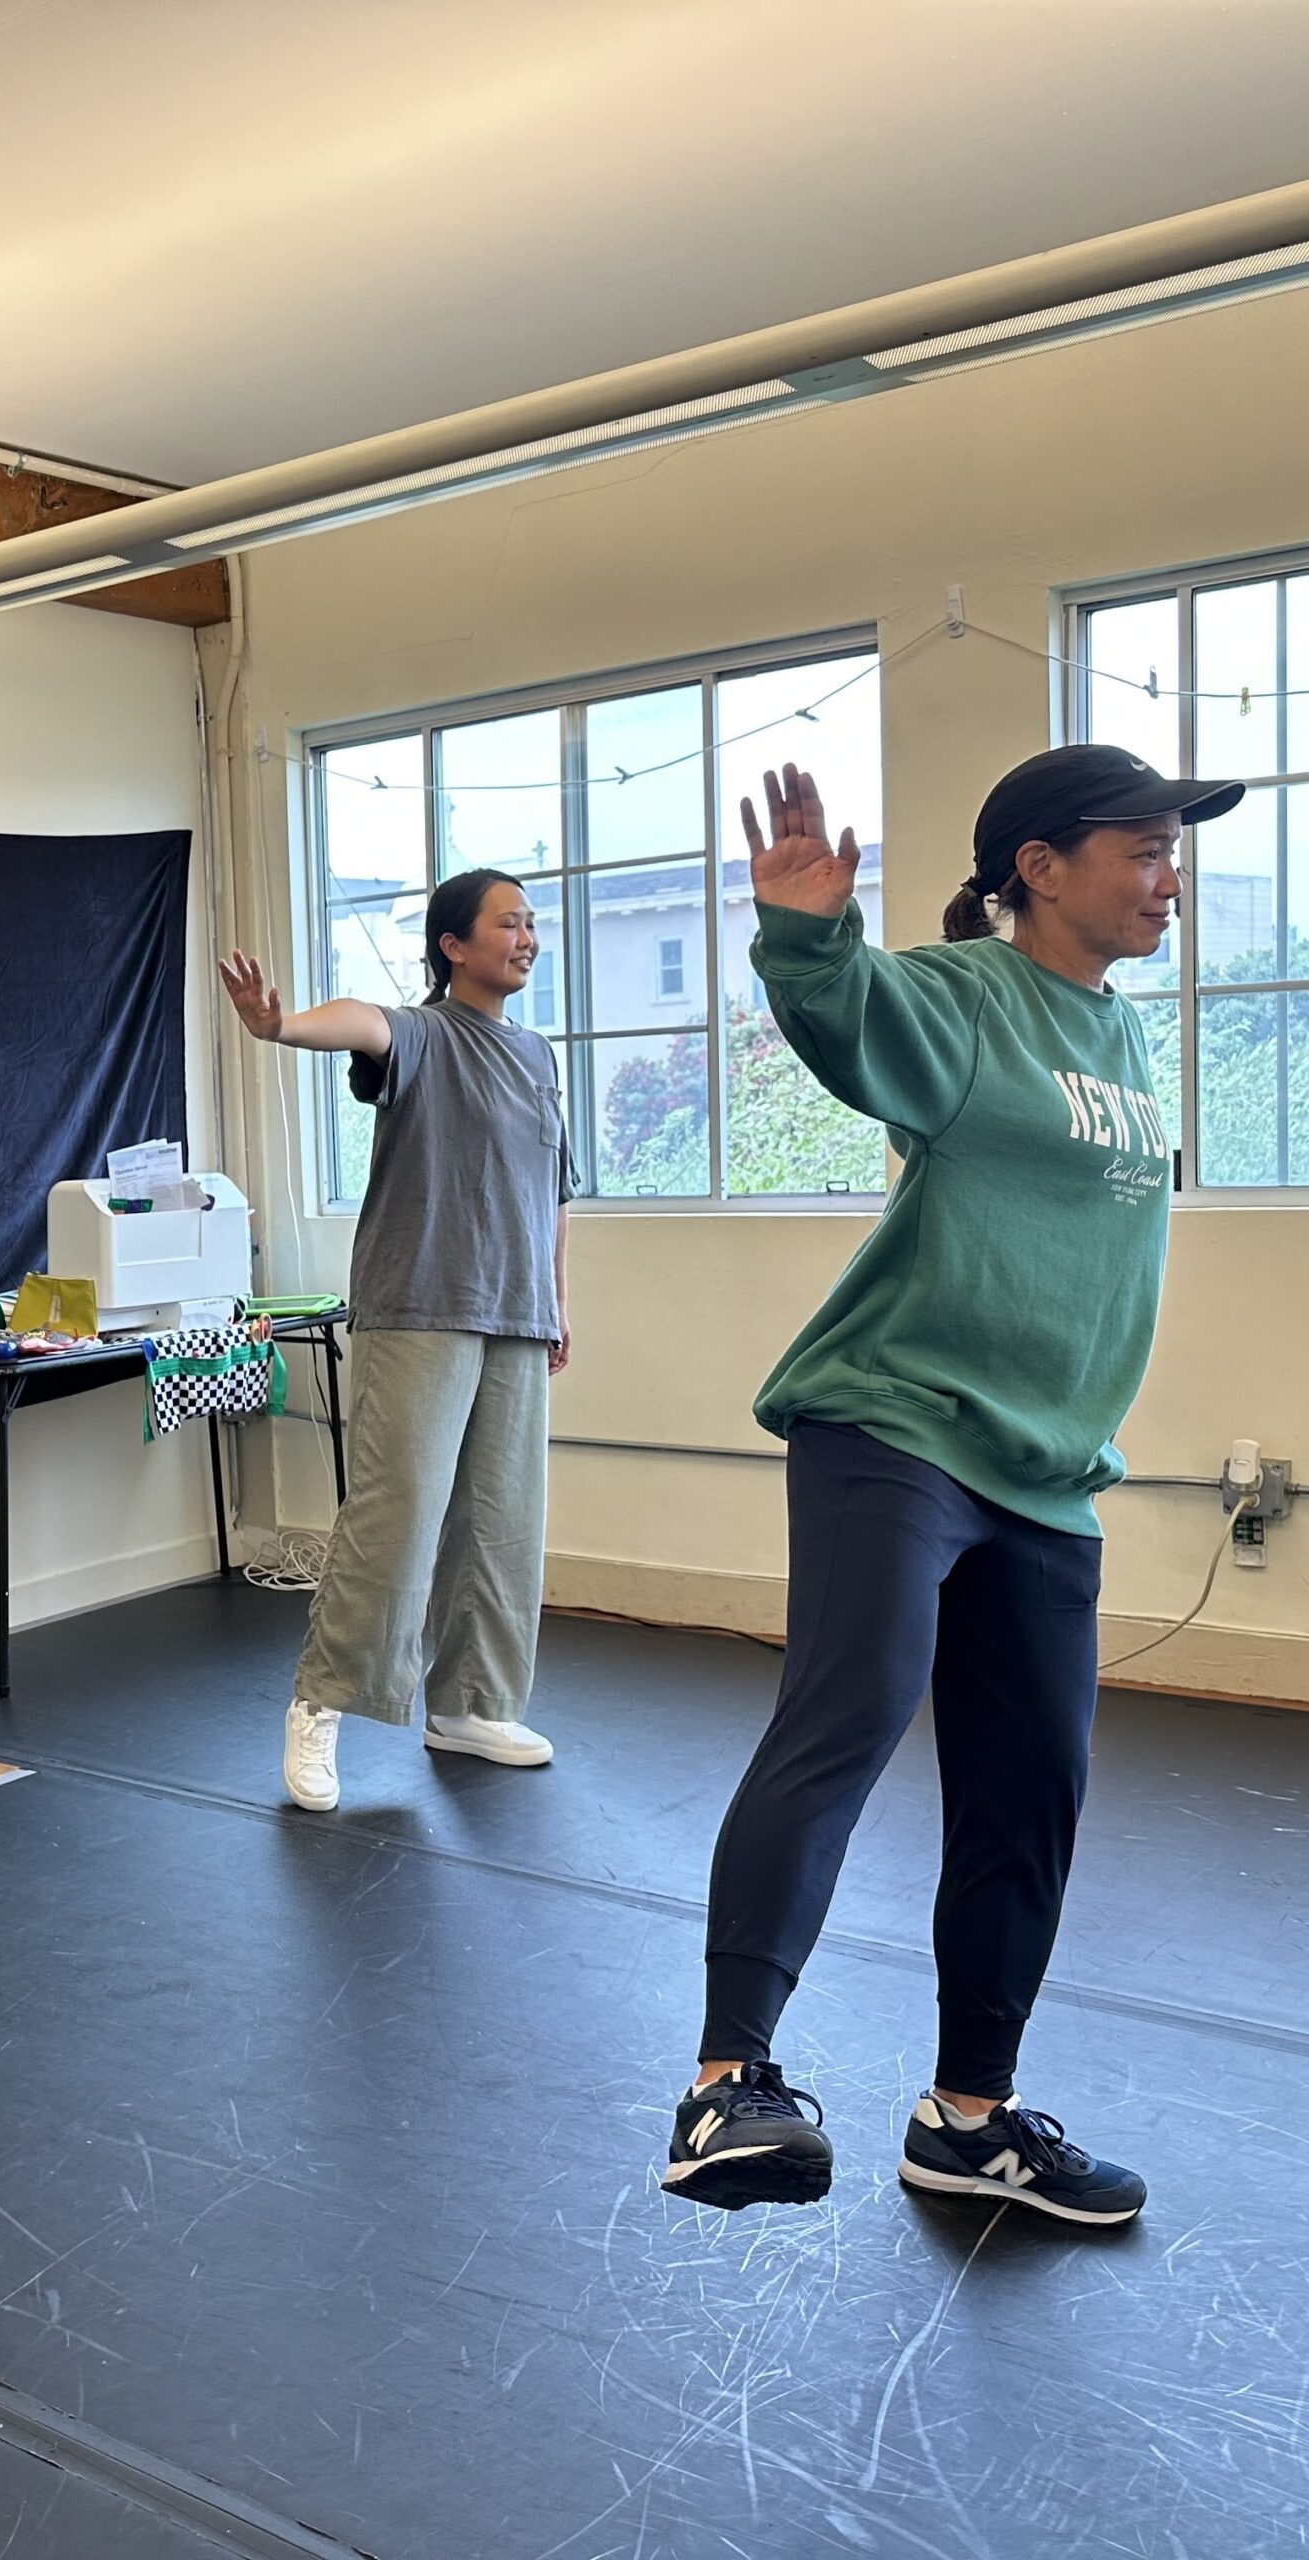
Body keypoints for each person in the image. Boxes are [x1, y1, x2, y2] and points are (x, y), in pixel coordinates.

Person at [666, 746, 1239, 2226]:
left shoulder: (1121, 1038)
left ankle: (969, 2121)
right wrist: (804, 930)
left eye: (1176, 852)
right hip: (901, 1423)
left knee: (1030, 1786)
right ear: (1040, 867)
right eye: (1147, 849)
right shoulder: (964, 997)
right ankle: (730, 2086)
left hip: (1046, 1473)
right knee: (850, 1710)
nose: (1171, 875)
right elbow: (851, 1021)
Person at [220, 866, 572, 1814]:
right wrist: (278, 1027)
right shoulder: (422, 1034)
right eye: (508, 923)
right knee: (398, 1512)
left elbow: (550, 1198)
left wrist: (556, 1301)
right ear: (455, 945)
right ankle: (321, 1701)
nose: (526, 937)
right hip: (418, 1303)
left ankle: (472, 1707)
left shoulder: (538, 1057)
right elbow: (361, 1020)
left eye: (532, 923)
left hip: (515, 1310)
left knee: (502, 1520)